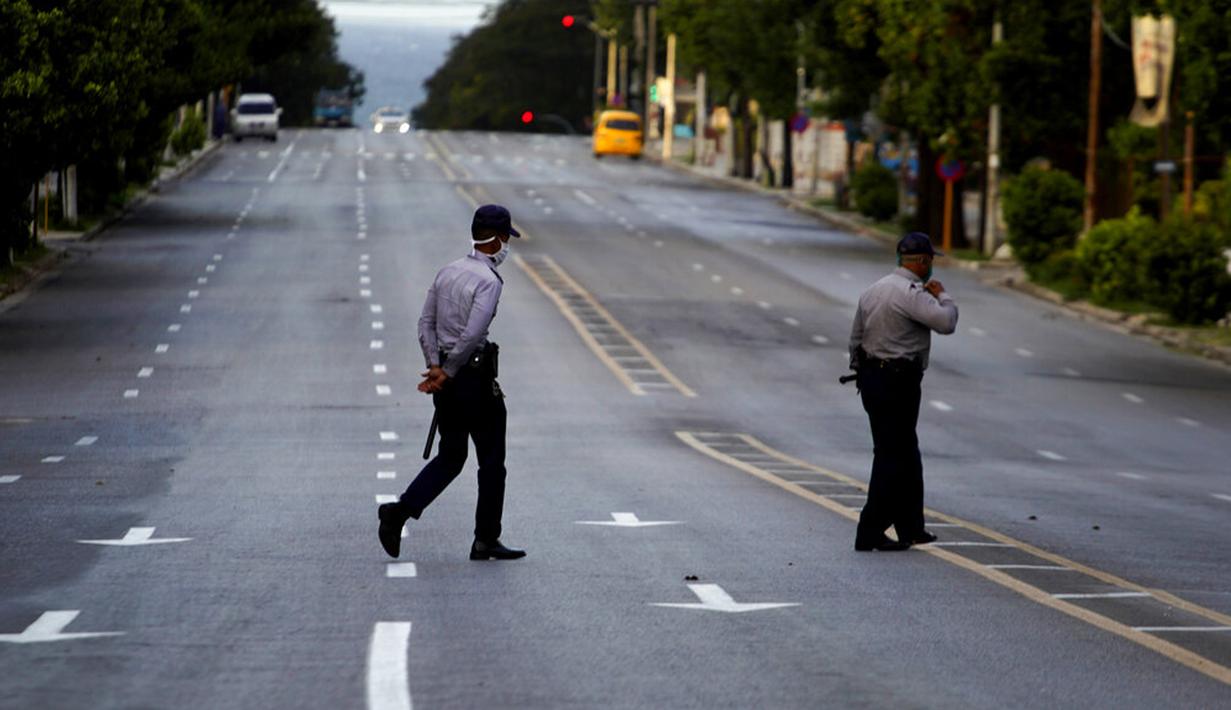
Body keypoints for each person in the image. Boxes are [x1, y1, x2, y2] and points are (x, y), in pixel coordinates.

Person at [378, 204, 526, 561]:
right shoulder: (489, 281)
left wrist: (435, 366)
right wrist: (450, 370)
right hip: (471, 380)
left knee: (451, 455)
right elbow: (474, 333)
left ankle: (398, 512)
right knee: (491, 461)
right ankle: (485, 539)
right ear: (498, 240)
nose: (507, 244)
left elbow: (424, 323)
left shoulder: (448, 271)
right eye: (506, 237)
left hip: (446, 379)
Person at [848, 232, 958, 552]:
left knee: (906, 453)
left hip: (873, 379)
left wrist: (862, 373)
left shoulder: (874, 290)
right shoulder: (913, 293)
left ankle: (911, 526)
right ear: (922, 261)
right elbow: (945, 322)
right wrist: (943, 296)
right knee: (891, 456)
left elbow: (856, 339)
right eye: (930, 261)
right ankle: (870, 529)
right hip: (898, 382)